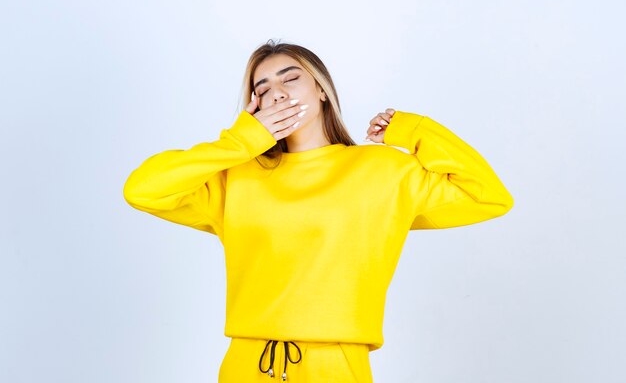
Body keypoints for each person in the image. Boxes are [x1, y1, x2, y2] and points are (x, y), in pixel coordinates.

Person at [123, 40, 514, 382]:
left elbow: (488, 197)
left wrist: (414, 131)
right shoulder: (237, 178)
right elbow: (143, 189)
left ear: (322, 90)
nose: (277, 92)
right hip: (246, 362)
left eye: (290, 78)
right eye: (263, 87)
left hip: (336, 365)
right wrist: (242, 142)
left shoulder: (383, 171)